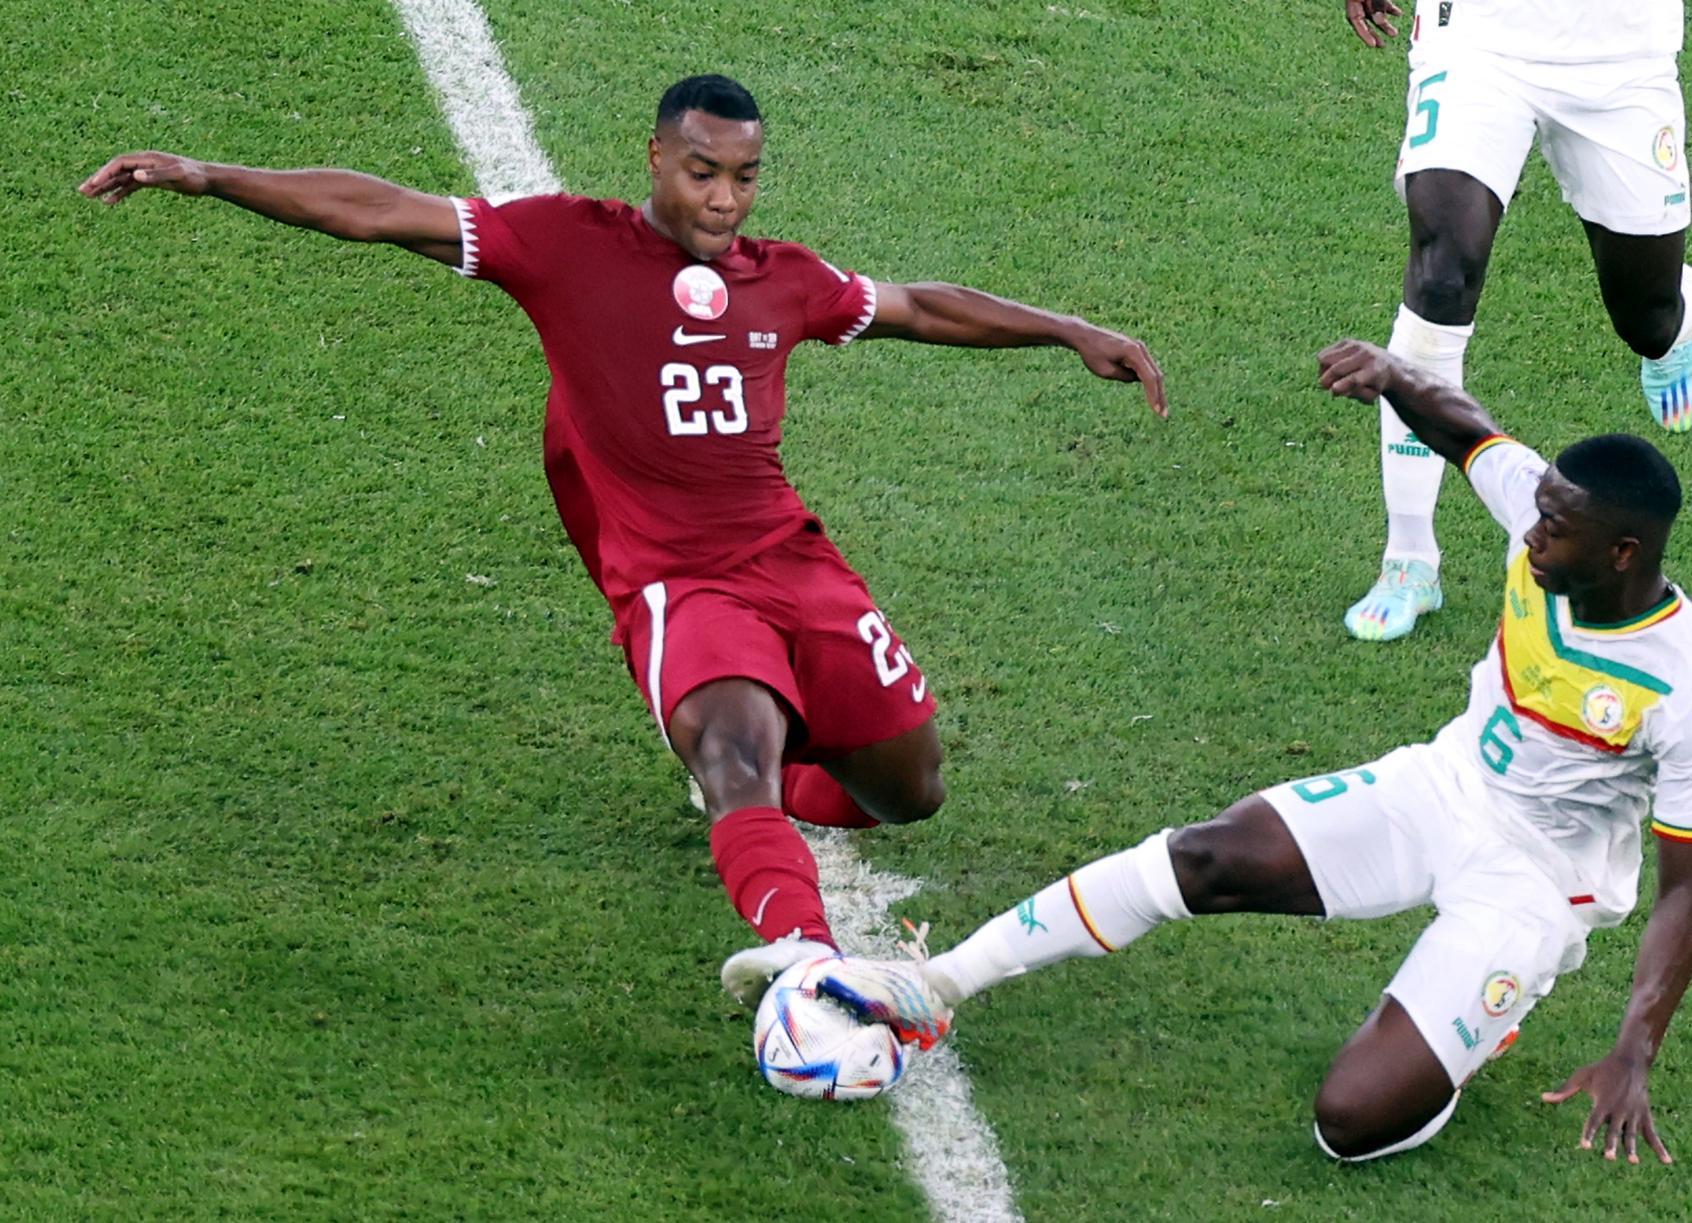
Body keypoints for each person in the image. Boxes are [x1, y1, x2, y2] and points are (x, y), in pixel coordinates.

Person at [78, 74, 1166, 1016]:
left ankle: (771, 798)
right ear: (655, 157)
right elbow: (379, 210)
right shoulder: (561, 244)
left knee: (910, 790)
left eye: (743, 177)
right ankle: (803, 961)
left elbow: (920, 306)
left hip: (794, 562)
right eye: (702, 172)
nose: (724, 200)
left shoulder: (782, 277)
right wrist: (208, 172)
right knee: (733, 751)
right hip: (678, 583)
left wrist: (1067, 330)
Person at [823, 337, 1692, 1164]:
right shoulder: (1545, 524)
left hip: (1537, 884)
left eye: (1555, 528)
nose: (1532, 532)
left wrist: (1633, 1051)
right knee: (1205, 855)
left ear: (1623, 552)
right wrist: (1392, 376)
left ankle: (1475, 1022)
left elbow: (1684, 892)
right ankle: (937, 982)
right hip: (1444, 786)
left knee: (1349, 1122)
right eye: (1537, 514)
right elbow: (1472, 434)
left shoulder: (1688, 689)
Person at [1339, 0, 1692, 642]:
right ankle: (1409, 559)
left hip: (1621, 56)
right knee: (1441, 271)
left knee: (1646, 316)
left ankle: (1672, 334)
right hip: (1478, 40)